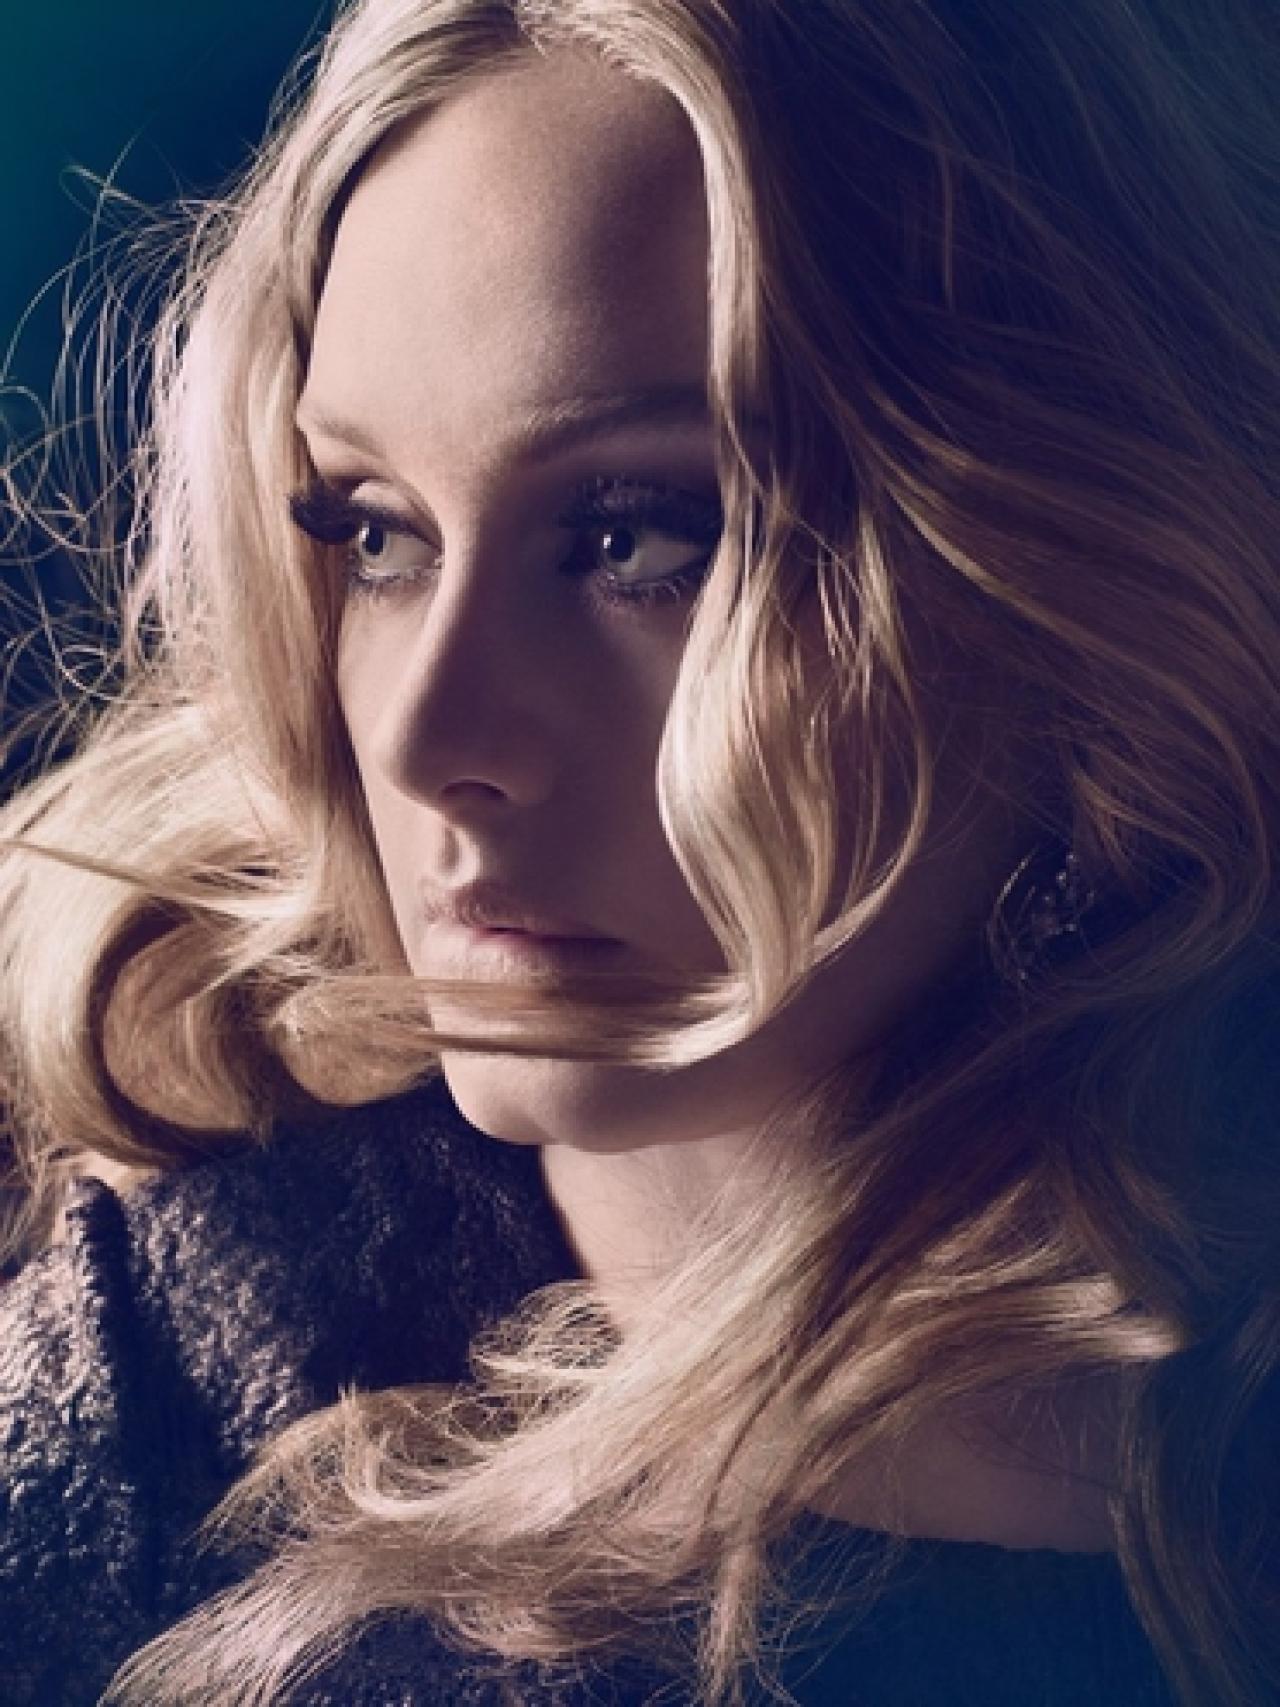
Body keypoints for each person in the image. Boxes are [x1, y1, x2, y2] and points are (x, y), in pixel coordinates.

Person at [0, 0, 1277, 1702]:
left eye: (634, 537)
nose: (427, 737)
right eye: (374, 533)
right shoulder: (176, 1348)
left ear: (1080, 581)